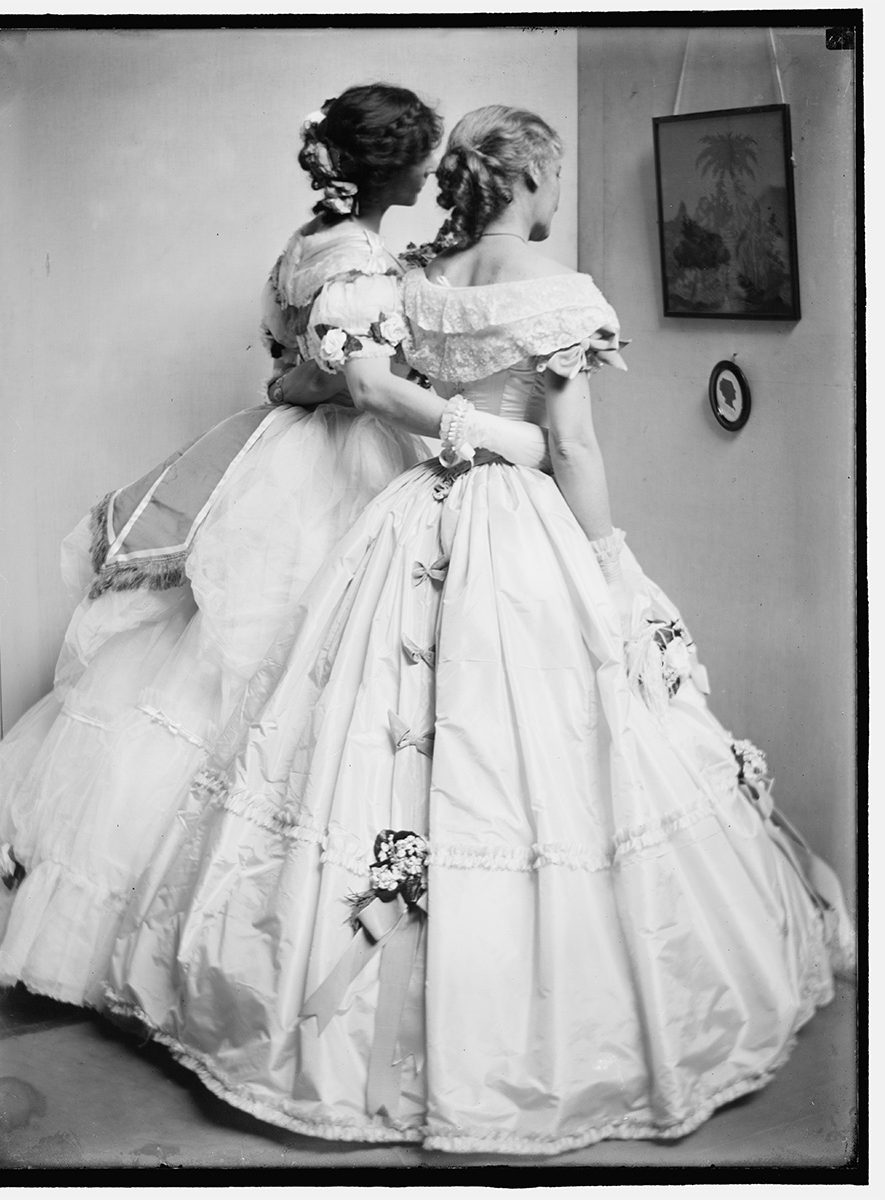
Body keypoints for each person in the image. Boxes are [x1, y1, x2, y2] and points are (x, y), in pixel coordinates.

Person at [106, 105, 852, 1154]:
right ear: (534, 177)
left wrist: (457, 428)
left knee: (372, 751)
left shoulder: (412, 279)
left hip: (411, 513)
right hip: (515, 531)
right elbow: (573, 450)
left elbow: (367, 387)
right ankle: (503, 1034)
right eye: (552, 180)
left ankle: (348, 1025)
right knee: (533, 764)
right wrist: (605, 567)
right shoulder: (556, 295)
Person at [0, 84, 554, 1011]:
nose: (435, 171)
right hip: (335, 467)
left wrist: (307, 383)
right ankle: (247, 935)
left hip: (281, 450)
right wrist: (480, 431)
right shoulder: (360, 259)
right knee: (290, 687)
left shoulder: (313, 246)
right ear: (396, 169)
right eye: (423, 159)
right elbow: (363, 388)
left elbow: (303, 368)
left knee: (241, 686)